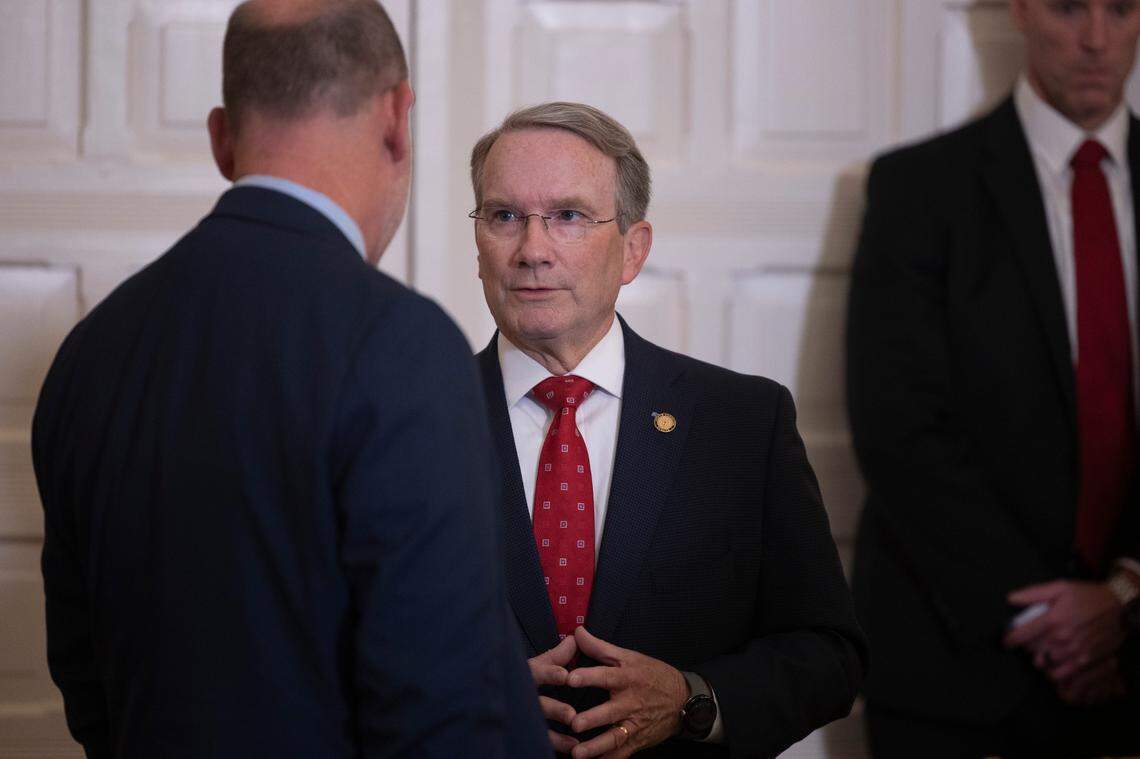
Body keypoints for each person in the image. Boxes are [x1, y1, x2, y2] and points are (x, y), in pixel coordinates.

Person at [32, 1, 548, 757]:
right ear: (397, 119)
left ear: (221, 137)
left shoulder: (90, 352)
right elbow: (446, 714)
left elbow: (86, 678)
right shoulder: (401, 347)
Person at [467, 101, 867, 758]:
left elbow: (829, 656)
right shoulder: (410, 422)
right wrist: (467, 696)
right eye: (505, 216)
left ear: (633, 249)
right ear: (479, 240)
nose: (532, 250)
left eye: (567, 216)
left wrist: (694, 697)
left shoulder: (742, 423)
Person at [847, 0, 1140, 755]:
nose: (1097, 39)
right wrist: (1054, 621)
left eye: (1123, 8)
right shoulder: (919, 189)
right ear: (1018, 9)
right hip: (953, 665)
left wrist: (1125, 596)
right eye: (1069, 7)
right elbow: (897, 426)